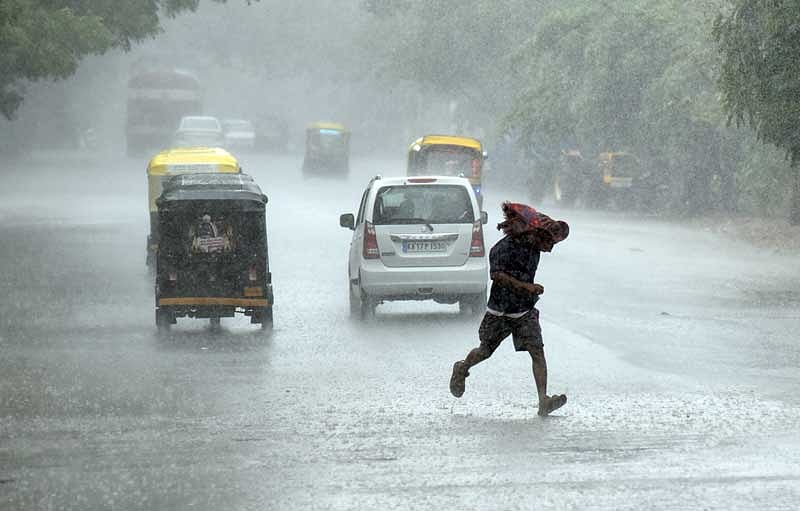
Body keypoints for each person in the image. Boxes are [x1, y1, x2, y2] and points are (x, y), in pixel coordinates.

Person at [449, 201, 570, 416]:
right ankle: (463, 367)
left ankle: (543, 400)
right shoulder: (503, 248)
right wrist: (527, 287)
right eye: (549, 242)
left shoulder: (534, 246)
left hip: (524, 310)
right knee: (485, 351)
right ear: (536, 234)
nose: (550, 249)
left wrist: (528, 292)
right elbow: (497, 276)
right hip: (500, 310)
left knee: (537, 351)